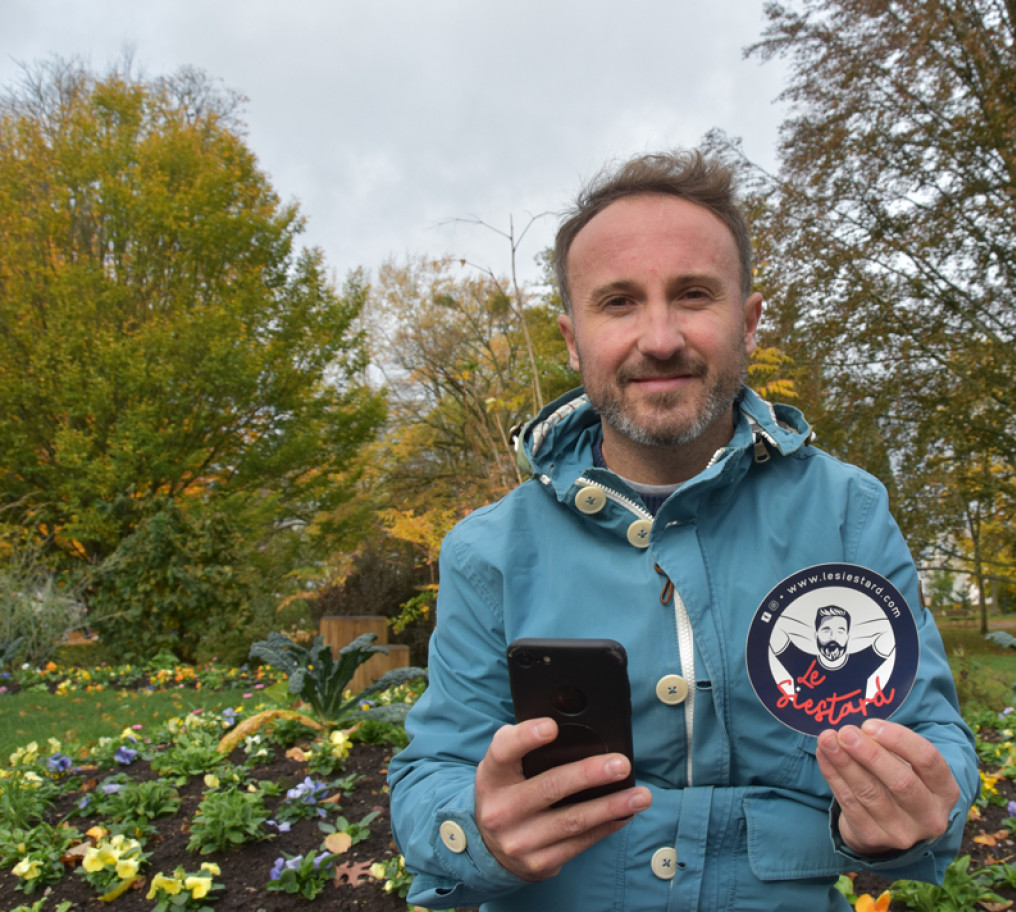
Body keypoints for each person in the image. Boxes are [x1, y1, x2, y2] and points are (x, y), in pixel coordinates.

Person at [387, 150, 977, 911]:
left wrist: (918, 807)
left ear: (749, 321)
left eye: (693, 294)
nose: (659, 338)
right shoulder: (486, 553)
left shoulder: (848, 514)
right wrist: (477, 827)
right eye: (620, 302)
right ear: (572, 340)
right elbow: (429, 774)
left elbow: (933, 735)